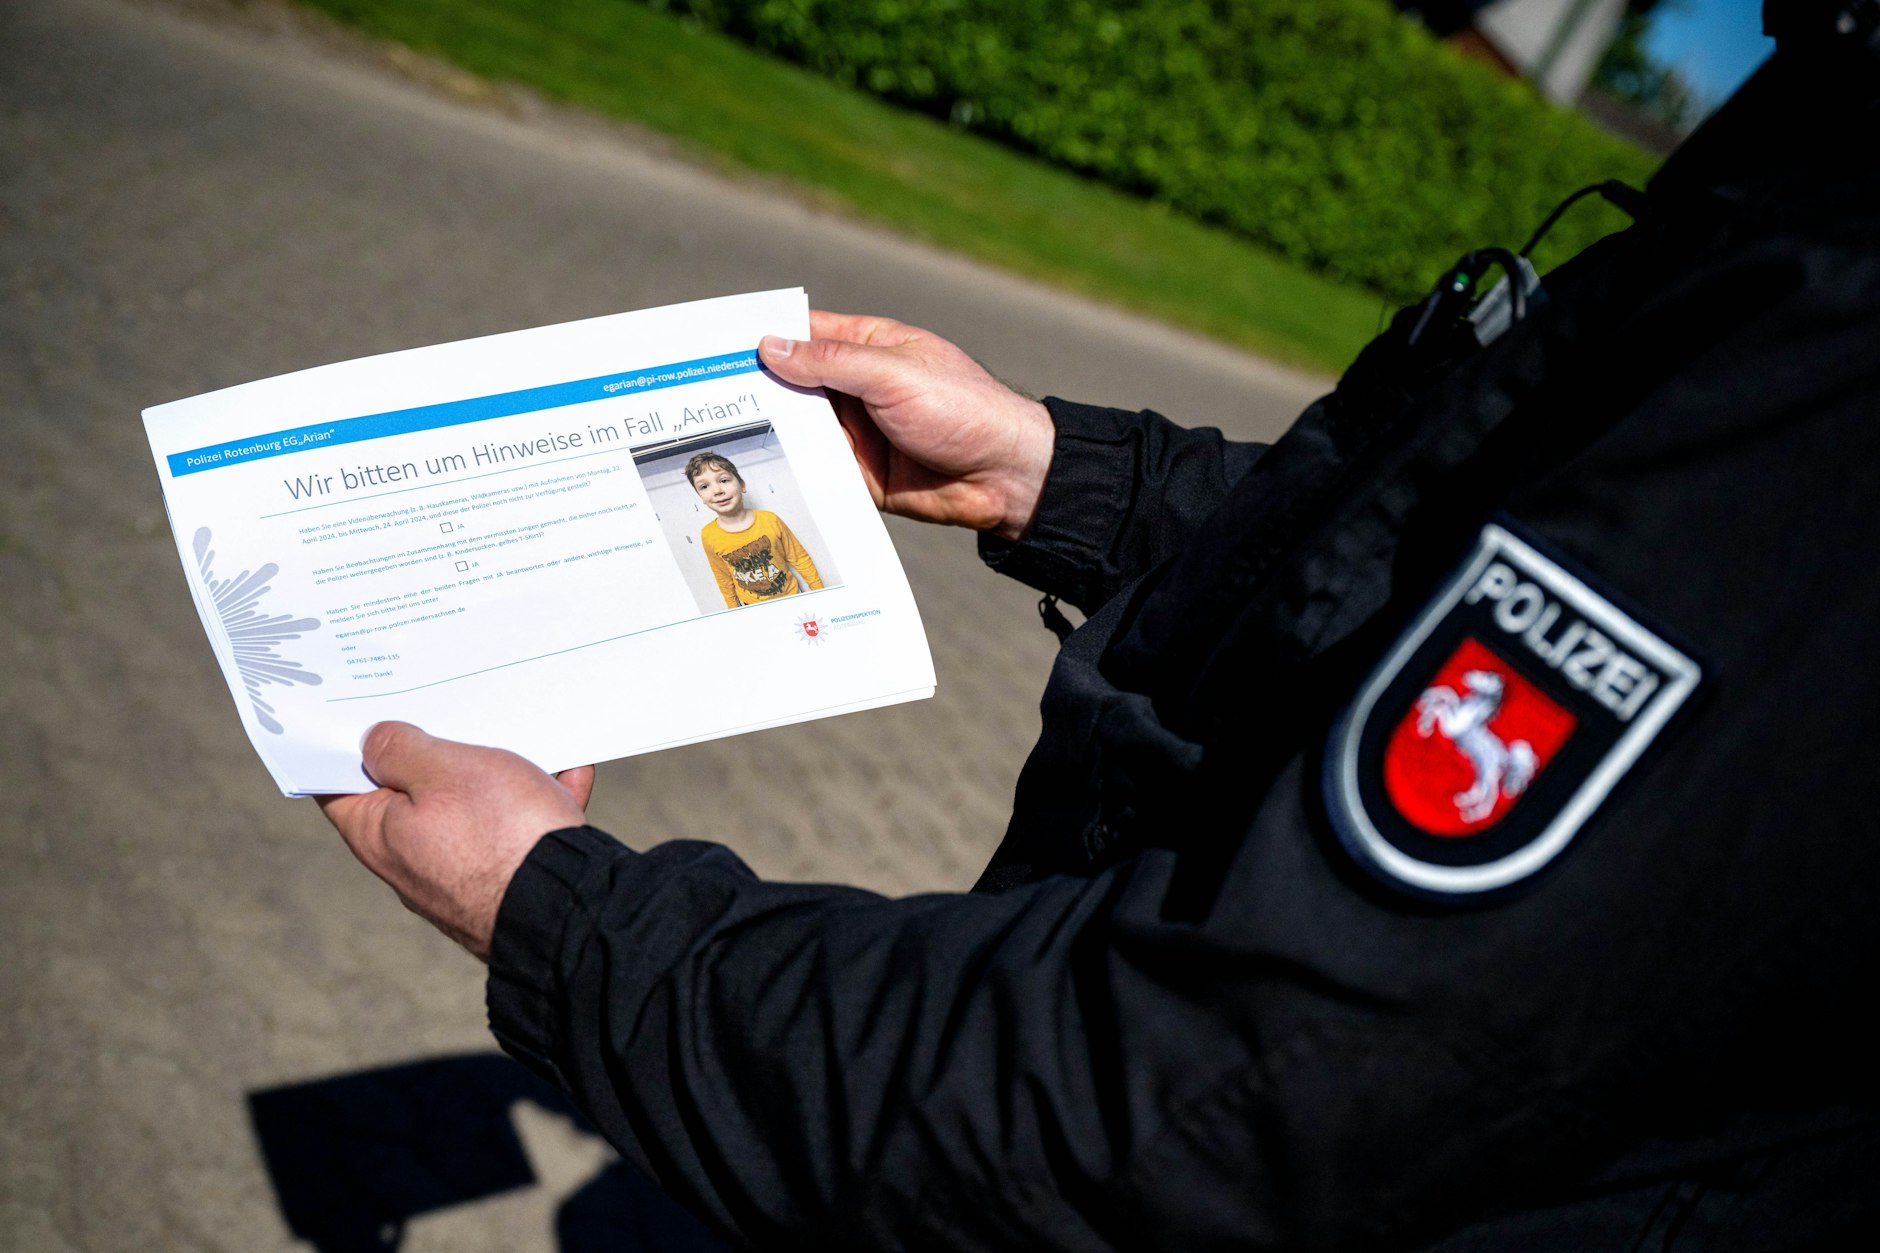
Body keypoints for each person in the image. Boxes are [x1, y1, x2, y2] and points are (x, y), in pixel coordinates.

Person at [319, 19, 1880, 1251]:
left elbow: (1191, 1092)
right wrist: (1061, 470)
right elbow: (1429, 565)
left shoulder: (1842, 344)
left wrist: (571, 919)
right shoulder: (1814, 145)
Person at [685, 450, 825, 609]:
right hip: (752, 606)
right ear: (701, 498)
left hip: (792, 596)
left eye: (724, 480)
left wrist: (819, 591)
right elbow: (722, 576)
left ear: (742, 485)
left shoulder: (770, 519)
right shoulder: (708, 535)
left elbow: (799, 558)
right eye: (704, 486)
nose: (717, 491)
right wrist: (733, 609)